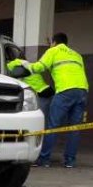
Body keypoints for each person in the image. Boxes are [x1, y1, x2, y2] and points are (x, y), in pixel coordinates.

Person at [36, 33, 89, 169]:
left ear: (54, 42)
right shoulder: (77, 55)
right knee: (74, 128)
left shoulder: (53, 51)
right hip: (82, 91)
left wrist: (26, 66)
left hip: (65, 91)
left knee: (53, 126)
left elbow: (39, 67)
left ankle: (44, 159)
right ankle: (70, 161)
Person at [4, 42, 53, 121]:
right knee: (46, 118)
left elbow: (8, 70)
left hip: (41, 94)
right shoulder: (29, 64)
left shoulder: (16, 64)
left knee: (42, 120)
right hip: (47, 91)